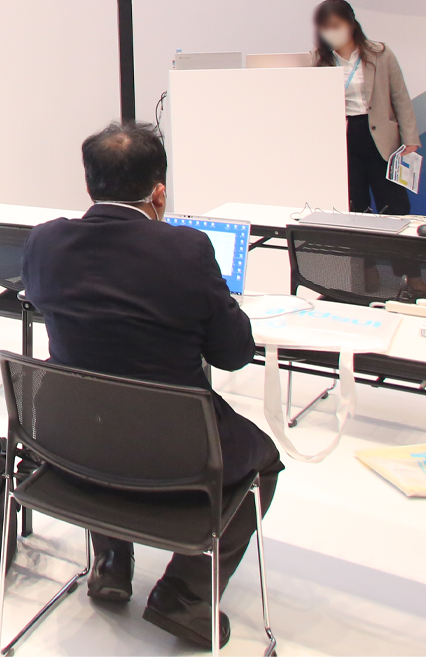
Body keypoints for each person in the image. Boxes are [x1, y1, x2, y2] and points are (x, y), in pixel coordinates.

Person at [21, 121, 280, 648]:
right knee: (265, 461)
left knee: (102, 403)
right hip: (174, 453)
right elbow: (233, 355)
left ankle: (111, 563)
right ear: (159, 193)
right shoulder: (187, 250)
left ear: (89, 184)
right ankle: (184, 593)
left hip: (70, 442)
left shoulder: (44, 241)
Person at [313, 0, 417, 215]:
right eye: (325, 27)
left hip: (380, 134)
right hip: (344, 135)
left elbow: (400, 97)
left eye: (336, 26)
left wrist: (410, 139)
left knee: (392, 202)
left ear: (351, 23)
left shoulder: (380, 53)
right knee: (354, 202)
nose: (331, 32)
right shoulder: (318, 59)